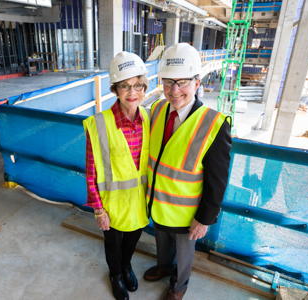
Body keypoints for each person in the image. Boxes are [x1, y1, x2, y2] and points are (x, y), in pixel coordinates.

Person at [143, 43, 232, 300]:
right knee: (161, 244)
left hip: (186, 213)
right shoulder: (158, 109)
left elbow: (218, 181)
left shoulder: (213, 124)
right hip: (158, 203)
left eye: (182, 82)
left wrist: (204, 218)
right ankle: (163, 266)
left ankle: (179, 286)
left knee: (184, 254)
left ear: (197, 81)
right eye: (168, 82)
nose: (174, 90)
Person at [83, 52, 150, 300]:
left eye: (138, 85)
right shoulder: (99, 124)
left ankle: (126, 266)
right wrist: (99, 211)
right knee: (113, 245)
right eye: (125, 86)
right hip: (111, 205)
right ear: (115, 89)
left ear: (144, 87)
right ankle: (115, 275)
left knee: (132, 242)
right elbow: (91, 172)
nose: (132, 92)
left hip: (140, 201)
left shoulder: (150, 118)